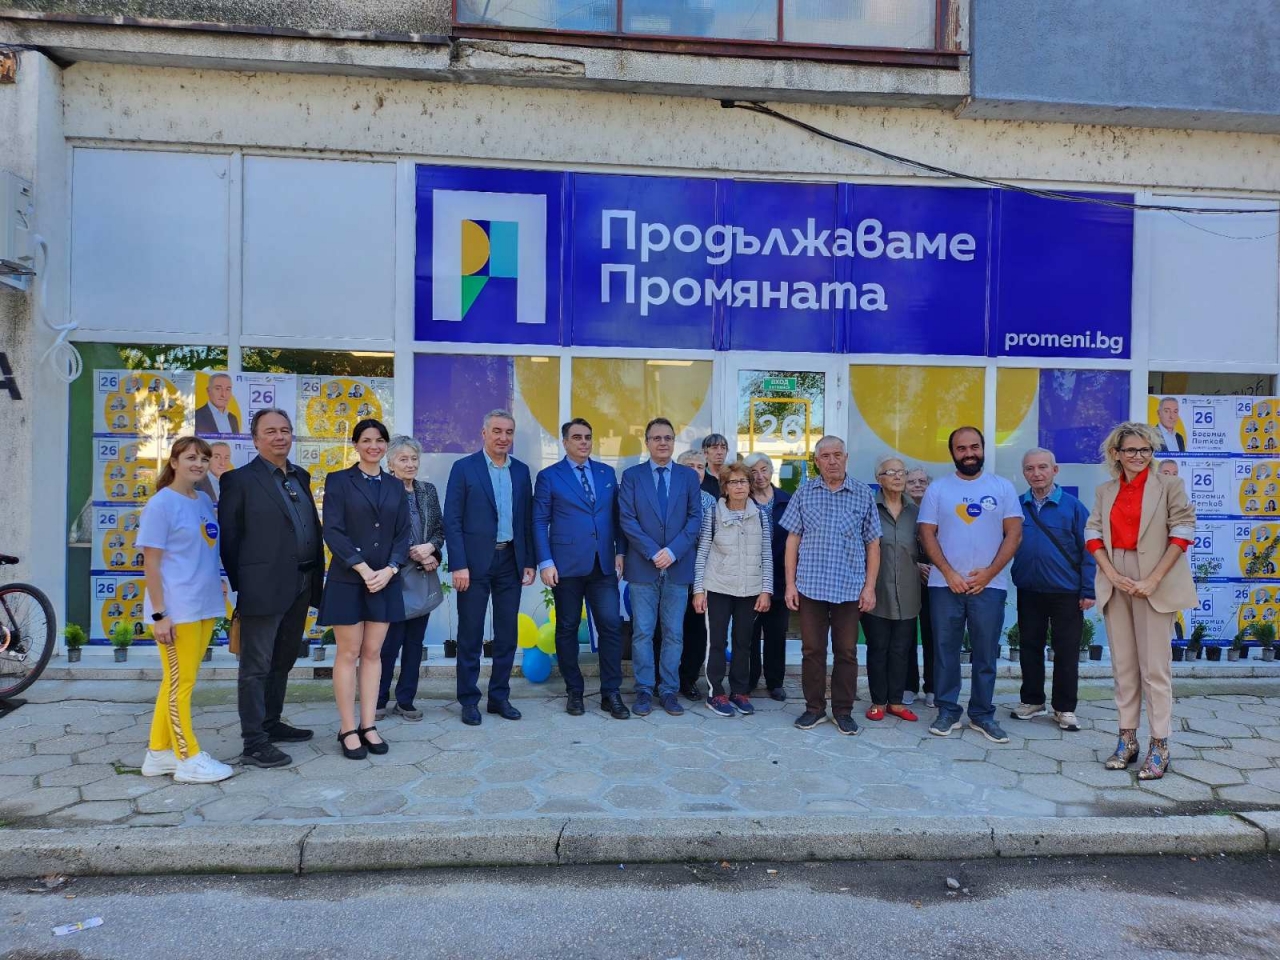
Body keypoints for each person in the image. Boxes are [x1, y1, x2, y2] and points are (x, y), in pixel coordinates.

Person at [1086, 422, 1197, 780]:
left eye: (1145, 450)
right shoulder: (1105, 490)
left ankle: (1160, 745)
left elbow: (1183, 531)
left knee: (1154, 669)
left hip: (1155, 578)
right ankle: (1127, 740)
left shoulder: (1169, 486)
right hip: (1115, 576)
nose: (1139, 456)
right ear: (1116, 454)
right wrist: (1110, 573)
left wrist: (1153, 579)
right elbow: (1093, 532)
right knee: (1123, 666)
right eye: (1131, 450)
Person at [219, 408, 323, 768]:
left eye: (285, 430)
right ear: (255, 439)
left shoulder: (300, 476)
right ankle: (254, 743)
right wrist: (246, 585)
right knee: (255, 667)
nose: (279, 436)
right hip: (262, 587)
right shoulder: (239, 481)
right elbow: (230, 541)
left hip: (302, 583)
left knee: (284, 659)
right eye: (270, 431)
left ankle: (271, 722)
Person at [137, 436, 233, 784]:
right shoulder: (161, 504)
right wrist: (160, 614)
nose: (199, 464)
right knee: (183, 684)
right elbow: (151, 563)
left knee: (175, 681)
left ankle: (158, 752)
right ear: (174, 462)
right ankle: (188, 757)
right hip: (177, 610)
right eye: (191, 457)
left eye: (204, 459)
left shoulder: (203, 500)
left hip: (203, 603)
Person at [918, 427, 1022, 744]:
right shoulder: (938, 489)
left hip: (989, 586)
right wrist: (948, 573)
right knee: (945, 652)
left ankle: (982, 714)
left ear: (983, 448)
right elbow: (926, 533)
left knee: (986, 653)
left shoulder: (1002, 487)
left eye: (974, 447)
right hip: (944, 586)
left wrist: (989, 573)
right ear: (953, 452)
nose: (968, 453)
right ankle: (947, 710)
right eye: (961, 448)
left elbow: (1014, 534)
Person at [318, 419, 409, 759]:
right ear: (355, 444)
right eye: (366, 440)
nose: (374, 446)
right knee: (348, 652)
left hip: (384, 580)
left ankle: (369, 725)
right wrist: (363, 568)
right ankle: (347, 728)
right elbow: (333, 530)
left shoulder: (395, 485)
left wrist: (390, 569)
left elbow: (403, 534)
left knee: (373, 653)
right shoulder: (339, 480)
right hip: (348, 578)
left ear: (386, 445)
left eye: (380, 440)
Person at [780, 436, 881, 735]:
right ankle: (814, 708)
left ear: (846, 457)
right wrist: (790, 584)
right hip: (811, 586)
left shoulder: (862, 494)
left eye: (838, 454)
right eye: (825, 456)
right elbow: (792, 540)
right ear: (816, 461)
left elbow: (873, 544)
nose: (832, 461)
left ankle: (843, 710)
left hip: (849, 588)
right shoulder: (804, 493)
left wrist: (870, 587)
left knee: (846, 651)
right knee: (812, 650)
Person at [444, 409, 536, 726]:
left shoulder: (521, 471)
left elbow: (526, 520)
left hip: (510, 560)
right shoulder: (464, 468)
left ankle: (499, 697)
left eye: (508, 432)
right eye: (497, 431)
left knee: (507, 634)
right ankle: (469, 700)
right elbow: (452, 520)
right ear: (484, 433)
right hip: (473, 564)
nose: (503, 437)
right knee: (470, 634)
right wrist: (458, 564)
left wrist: (529, 561)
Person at [534, 418, 630, 721]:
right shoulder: (549, 476)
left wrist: (621, 551)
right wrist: (545, 562)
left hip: (603, 564)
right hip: (565, 566)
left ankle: (610, 693)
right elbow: (539, 521)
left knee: (611, 626)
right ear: (565, 442)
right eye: (577, 437)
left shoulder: (606, 473)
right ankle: (574, 691)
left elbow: (617, 517)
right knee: (567, 628)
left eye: (588, 437)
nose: (584, 442)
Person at [619, 417, 702, 717]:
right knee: (642, 632)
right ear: (647, 442)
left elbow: (695, 519)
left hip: (677, 567)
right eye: (657, 438)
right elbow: (627, 519)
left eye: (668, 437)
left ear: (674, 441)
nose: (663, 442)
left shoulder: (688, 477)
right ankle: (643, 689)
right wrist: (654, 552)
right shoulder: (632, 476)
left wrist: (673, 551)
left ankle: (668, 690)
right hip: (643, 566)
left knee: (674, 633)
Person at [1010, 448, 1096, 732]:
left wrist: (1088, 590)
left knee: (1066, 652)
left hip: (1066, 592)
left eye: (1042, 467)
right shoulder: (1016, 506)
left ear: (1055, 470)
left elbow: (1089, 549)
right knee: (1029, 648)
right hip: (1029, 589)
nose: (1036, 473)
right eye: (1030, 468)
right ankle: (1032, 700)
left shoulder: (1073, 507)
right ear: (1024, 473)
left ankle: (1065, 707)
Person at [692, 461, 773, 717]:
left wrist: (766, 590)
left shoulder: (761, 515)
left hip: (750, 589)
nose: (739, 486)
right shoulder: (712, 515)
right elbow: (703, 552)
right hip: (718, 586)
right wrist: (698, 590)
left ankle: (739, 691)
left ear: (750, 485)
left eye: (743, 481)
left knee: (743, 642)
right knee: (716, 642)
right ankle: (715, 693)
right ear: (724, 487)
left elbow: (766, 555)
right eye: (733, 482)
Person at [376, 435, 444, 723]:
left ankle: (406, 701)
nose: (410, 464)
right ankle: (378, 700)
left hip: (421, 579)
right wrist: (416, 554)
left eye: (414, 458)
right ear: (390, 463)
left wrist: (431, 549)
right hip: (391, 578)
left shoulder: (427, 491)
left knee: (415, 644)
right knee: (388, 645)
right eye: (403, 459)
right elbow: (381, 535)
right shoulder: (382, 491)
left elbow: (439, 530)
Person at [862, 456, 921, 723]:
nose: (898, 476)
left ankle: (896, 702)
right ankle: (878, 701)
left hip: (908, 591)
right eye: (891, 472)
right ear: (879, 479)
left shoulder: (915, 512)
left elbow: (925, 546)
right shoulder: (868, 509)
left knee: (901, 649)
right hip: (876, 590)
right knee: (878, 648)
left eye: (901, 472)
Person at [745, 451, 790, 701]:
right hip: (750, 578)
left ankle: (775, 682)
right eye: (753, 471)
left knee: (776, 633)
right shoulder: (742, 501)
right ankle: (749, 680)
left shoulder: (786, 500)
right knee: (748, 633)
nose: (759, 476)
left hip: (780, 578)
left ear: (772, 471)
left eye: (764, 469)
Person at [676, 449, 715, 702]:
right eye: (689, 466)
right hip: (670, 573)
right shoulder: (669, 496)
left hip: (700, 578)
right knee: (667, 630)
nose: (695, 471)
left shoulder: (710, 501)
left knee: (697, 631)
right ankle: (663, 679)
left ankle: (688, 679)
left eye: (700, 467)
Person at [904, 467, 933, 707]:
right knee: (905, 636)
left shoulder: (938, 509)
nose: (917, 485)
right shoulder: (900, 512)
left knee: (934, 635)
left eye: (922, 481)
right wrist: (914, 567)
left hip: (935, 580)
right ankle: (908, 686)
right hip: (905, 579)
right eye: (911, 481)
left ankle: (933, 687)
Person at [700, 433, 731, 499]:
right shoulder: (700, 477)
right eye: (714, 448)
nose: (719, 452)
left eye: (723, 448)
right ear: (705, 452)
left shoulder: (732, 475)